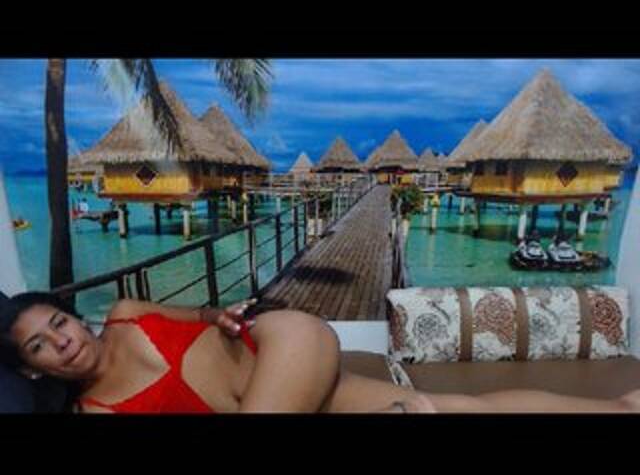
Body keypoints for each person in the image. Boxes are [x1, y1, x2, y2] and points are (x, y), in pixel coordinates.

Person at [1, 291, 639, 414]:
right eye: (41, 344)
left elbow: (193, 313)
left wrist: (213, 316)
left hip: (284, 347)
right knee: (449, 407)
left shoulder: (124, 312)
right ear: (32, 367)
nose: (63, 339)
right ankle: (621, 408)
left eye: (59, 321)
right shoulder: (97, 413)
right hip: (287, 401)